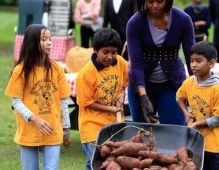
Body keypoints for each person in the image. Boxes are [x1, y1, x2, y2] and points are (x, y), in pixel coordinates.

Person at [5, 24, 72, 170]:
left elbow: (63, 101)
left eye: (50, 38)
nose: (49, 42)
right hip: (28, 132)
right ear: (32, 43)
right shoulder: (20, 70)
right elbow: (16, 102)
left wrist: (66, 129)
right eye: (44, 39)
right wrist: (35, 119)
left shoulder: (57, 68)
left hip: (53, 130)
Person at [126, 0, 195, 124]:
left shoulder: (183, 20)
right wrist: (143, 96)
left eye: (160, 1)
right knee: (143, 135)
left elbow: (192, 59)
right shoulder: (135, 23)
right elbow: (135, 64)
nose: (155, 5)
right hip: (141, 87)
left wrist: (197, 88)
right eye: (150, 1)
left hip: (172, 85)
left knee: (175, 133)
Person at [176, 41, 219, 170]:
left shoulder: (218, 89)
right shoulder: (189, 82)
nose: (193, 65)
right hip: (200, 144)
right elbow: (179, 97)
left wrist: (197, 124)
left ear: (211, 63)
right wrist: (186, 113)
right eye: (191, 61)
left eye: (198, 61)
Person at [76, 28, 128, 170]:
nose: (110, 57)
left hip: (114, 125)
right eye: (105, 52)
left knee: (95, 163)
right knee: (101, 162)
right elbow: (86, 103)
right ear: (95, 50)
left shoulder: (121, 63)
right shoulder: (86, 74)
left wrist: (122, 94)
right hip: (92, 127)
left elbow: (125, 83)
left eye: (114, 52)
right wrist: (111, 108)